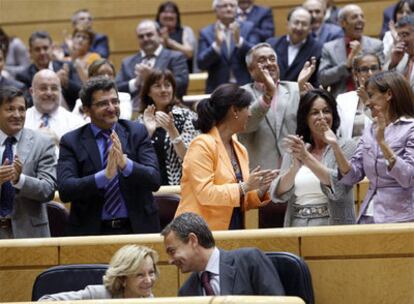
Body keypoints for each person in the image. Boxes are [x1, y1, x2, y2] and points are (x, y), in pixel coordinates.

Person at [57, 76, 161, 236]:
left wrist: (126, 165)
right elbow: (66, 190)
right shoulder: (71, 141)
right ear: (86, 109)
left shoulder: (136, 132)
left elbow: (154, 180)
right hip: (91, 232)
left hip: (137, 228)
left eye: (115, 101)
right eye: (103, 104)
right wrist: (104, 177)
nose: (112, 108)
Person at [175, 83, 278, 230]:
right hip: (200, 232)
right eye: (247, 108)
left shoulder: (240, 148)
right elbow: (205, 194)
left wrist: (260, 189)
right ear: (234, 110)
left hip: (233, 227)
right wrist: (245, 186)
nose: (250, 114)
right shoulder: (201, 144)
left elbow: (240, 198)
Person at [325, 71, 414, 224]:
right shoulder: (370, 130)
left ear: (388, 94)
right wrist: (335, 146)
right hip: (368, 215)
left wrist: (383, 144)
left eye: (371, 95)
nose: (366, 102)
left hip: (402, 217)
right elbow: (352, 176)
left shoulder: (410, 128)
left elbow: (408, 178)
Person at [270, 89, 357, 227]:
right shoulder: (297, 148)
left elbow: (340, 187)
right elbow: (277, 194)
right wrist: (294, 168)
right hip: (297, 223)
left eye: (326, 111)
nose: (322, 117)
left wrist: (306, 158)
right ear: (306, 118)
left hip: (333, 225)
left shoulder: (346, 146)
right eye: (315, 112)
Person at [162, 212, 285, 296]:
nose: (170, 261)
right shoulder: (186, 292)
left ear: (193, 240)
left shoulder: (249, 261)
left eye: (172, 251)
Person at [239, 43, 309, 170]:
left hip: (295, 170)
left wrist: (309, 97)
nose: (269, 63)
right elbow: (246, 125)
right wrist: (267, 96)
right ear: (251, 69)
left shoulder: (295, 88)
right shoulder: (241, 94)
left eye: (272, 59)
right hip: (260, 173)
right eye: (262, 60)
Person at [0, 87, 56, 239]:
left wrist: (19, 180)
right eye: (10, 109)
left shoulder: (42, 143)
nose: (17, 115)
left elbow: (48, 190)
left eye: (22, 109)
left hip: (31, 235)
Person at [138, 69, 198, 186]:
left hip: (181, 188)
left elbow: (190, 158)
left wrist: (172, 131)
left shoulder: (186, 117)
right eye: (157, 86)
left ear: (173, 89)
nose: (164, 90)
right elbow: (137, 159)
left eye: (167, 85)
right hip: (151, 188)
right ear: (148, 92)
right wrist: (148, 133)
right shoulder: (140, 122)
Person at [115, 19, 189, 111]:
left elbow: (182, 85)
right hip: (133, 113)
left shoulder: (176, 57)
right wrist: (135, 83)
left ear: (159, 35)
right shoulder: (127, 62)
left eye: (149, 35)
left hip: (168, 112)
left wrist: (152, 77)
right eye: (141, 36)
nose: (145, 39)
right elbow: (116, 89)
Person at [38, 245, 159, 300]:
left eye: (151, 272)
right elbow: (46, 301)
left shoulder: (150, 300)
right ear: (123, 278)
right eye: (140, 275)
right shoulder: (97, 295)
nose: (148, 280)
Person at [318, 4, 384, 97]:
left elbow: (383, 75)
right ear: (342, 23)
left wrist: (362, 56)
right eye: (354, 17)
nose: (360, 20)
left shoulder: (376, 45)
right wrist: (346, 65)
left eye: (362, 16)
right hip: (340, 99)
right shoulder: (329, 48)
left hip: (371, 97)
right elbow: (323, 79)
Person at [197, 0, 260, 93]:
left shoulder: (249, 27)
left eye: (232, 5)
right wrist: (216, 46)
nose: (229, 9)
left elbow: (256, 56)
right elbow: (201, 63)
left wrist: (240, 41)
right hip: (218, 90)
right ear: (216, 10)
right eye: (224, 6)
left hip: (245, 88)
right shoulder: (206, 32)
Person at [16, 31, 82, 110]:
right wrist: (55, 81)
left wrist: (67, 83)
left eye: (45, 48)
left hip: (69, 115)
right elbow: (26, 103)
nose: (42, 52)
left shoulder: (66, 66)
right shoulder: (23, 76)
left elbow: (81, 94)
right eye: (37, 49)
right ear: (30, 52)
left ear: (52, 48)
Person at [24, 69, 85, 147]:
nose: (49, 93)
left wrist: (60, 145)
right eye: (43, 88)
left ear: (60, 91)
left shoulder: (76, 123)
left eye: (54, 88)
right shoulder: (21, 121)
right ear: (32, 92)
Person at [267, 7, 322, 87]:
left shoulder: (318, 49)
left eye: (304, 24)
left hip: (303, 97)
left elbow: (316, 81)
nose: (299, 28)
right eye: (296, 23)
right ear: (288, 23)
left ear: (310, 28)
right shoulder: (271, 44)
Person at [336, 53, 381, 140]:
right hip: (348, 150)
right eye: (364, 69)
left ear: (381, 70)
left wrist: (367, 102)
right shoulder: (343, 99)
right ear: (356, 75)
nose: (370, 73)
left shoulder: (388, 98)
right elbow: (335, 130)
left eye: (374, 68)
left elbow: (387, 128)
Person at [156, 1, 197, 72]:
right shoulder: (152, 33)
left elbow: (189, 53)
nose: (168, 15)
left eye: (172, 12)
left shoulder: (185, 31)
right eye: (165, 12)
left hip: (184, 74)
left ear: (177, 16)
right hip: (159, 75)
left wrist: (169, 42)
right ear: (159, 16)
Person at [385, 15, 414, 92]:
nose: (401, 40)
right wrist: (393, 64)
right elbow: (384, 86)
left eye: (405, 35)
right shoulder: (399, 56)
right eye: (399, 35)